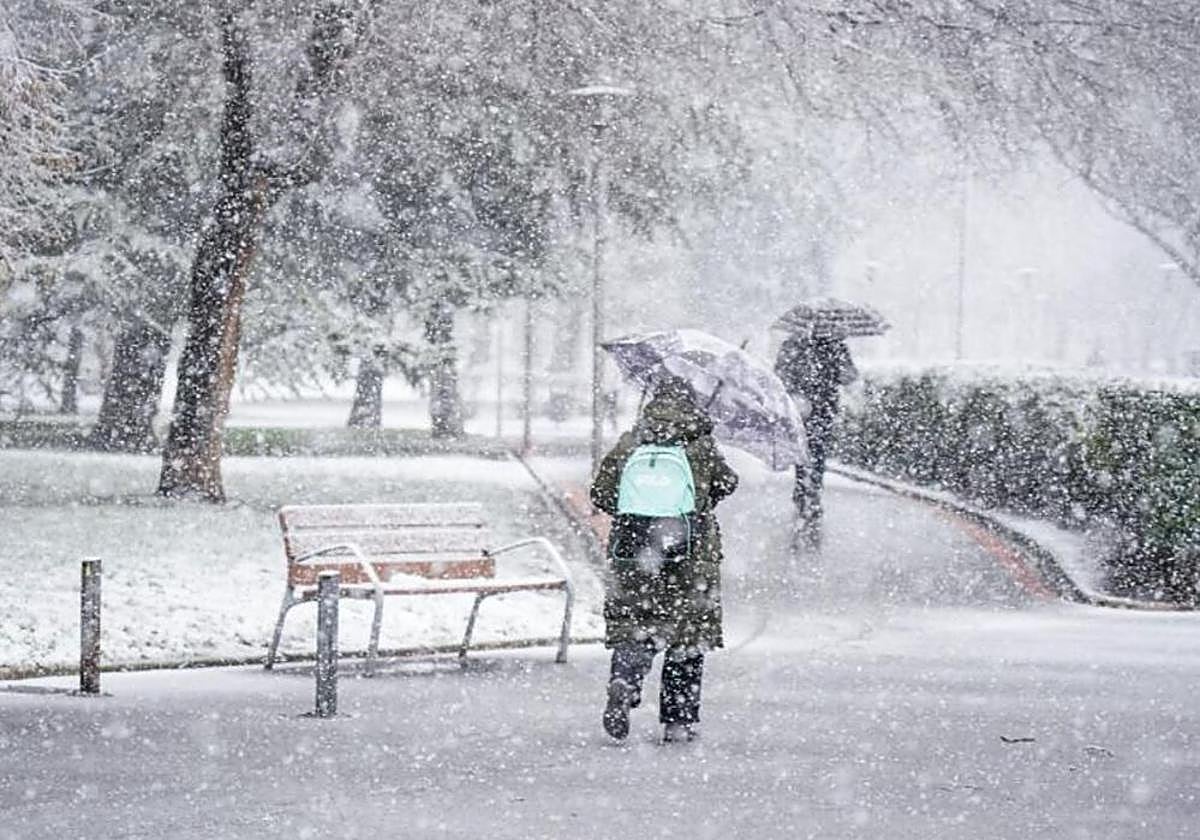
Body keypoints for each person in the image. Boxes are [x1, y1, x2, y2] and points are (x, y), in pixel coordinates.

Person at [590, 375, 738, 744]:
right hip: (689, 553)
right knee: (687, 633)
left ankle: (625, 677)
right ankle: (678, 721)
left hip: (634, 551)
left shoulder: (632, 440)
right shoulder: (700, 445)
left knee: (636, 621)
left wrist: (640, 513)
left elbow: (602, 493)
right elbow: (727, 483)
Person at [773, 332, 858, 548]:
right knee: (817, 452)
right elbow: (849, 375)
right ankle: (812, 492)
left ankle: (803, 490)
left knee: (805, 450)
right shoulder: (836, 345)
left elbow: (780, 373)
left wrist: (794, 387)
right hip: (822, 407)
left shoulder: (794, 343)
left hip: (803, 407)